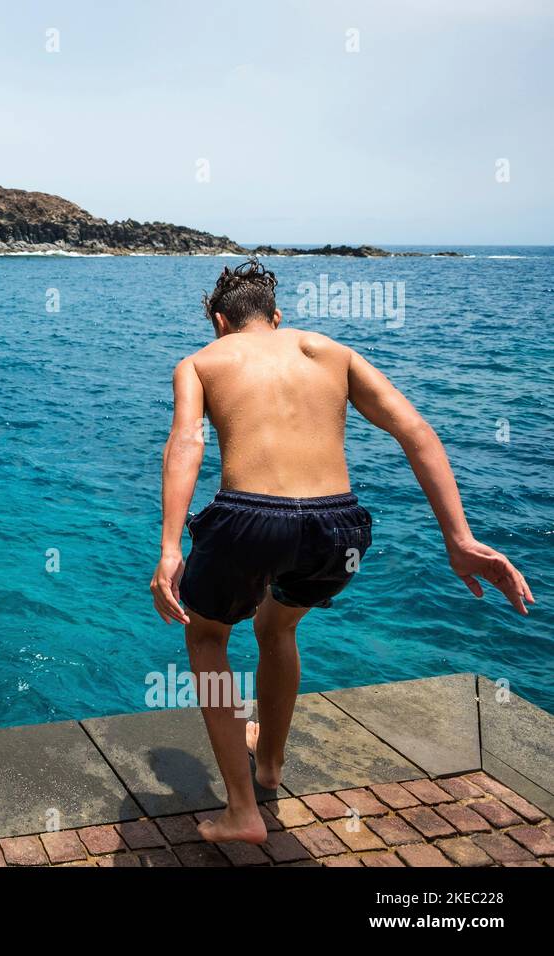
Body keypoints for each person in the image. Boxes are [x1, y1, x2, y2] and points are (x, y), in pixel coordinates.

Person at [149, 259, 534, 844]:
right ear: (277, 317)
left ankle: (241, 810)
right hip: (339, 527)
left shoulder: (201, 362)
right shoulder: (332, 351)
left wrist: (171, 546)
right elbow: (417, 432)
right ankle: (271, 765)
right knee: (277, 628)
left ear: (220, 321)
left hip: (250, 519)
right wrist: (459, 539)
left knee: (206, 637)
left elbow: (186, 442)